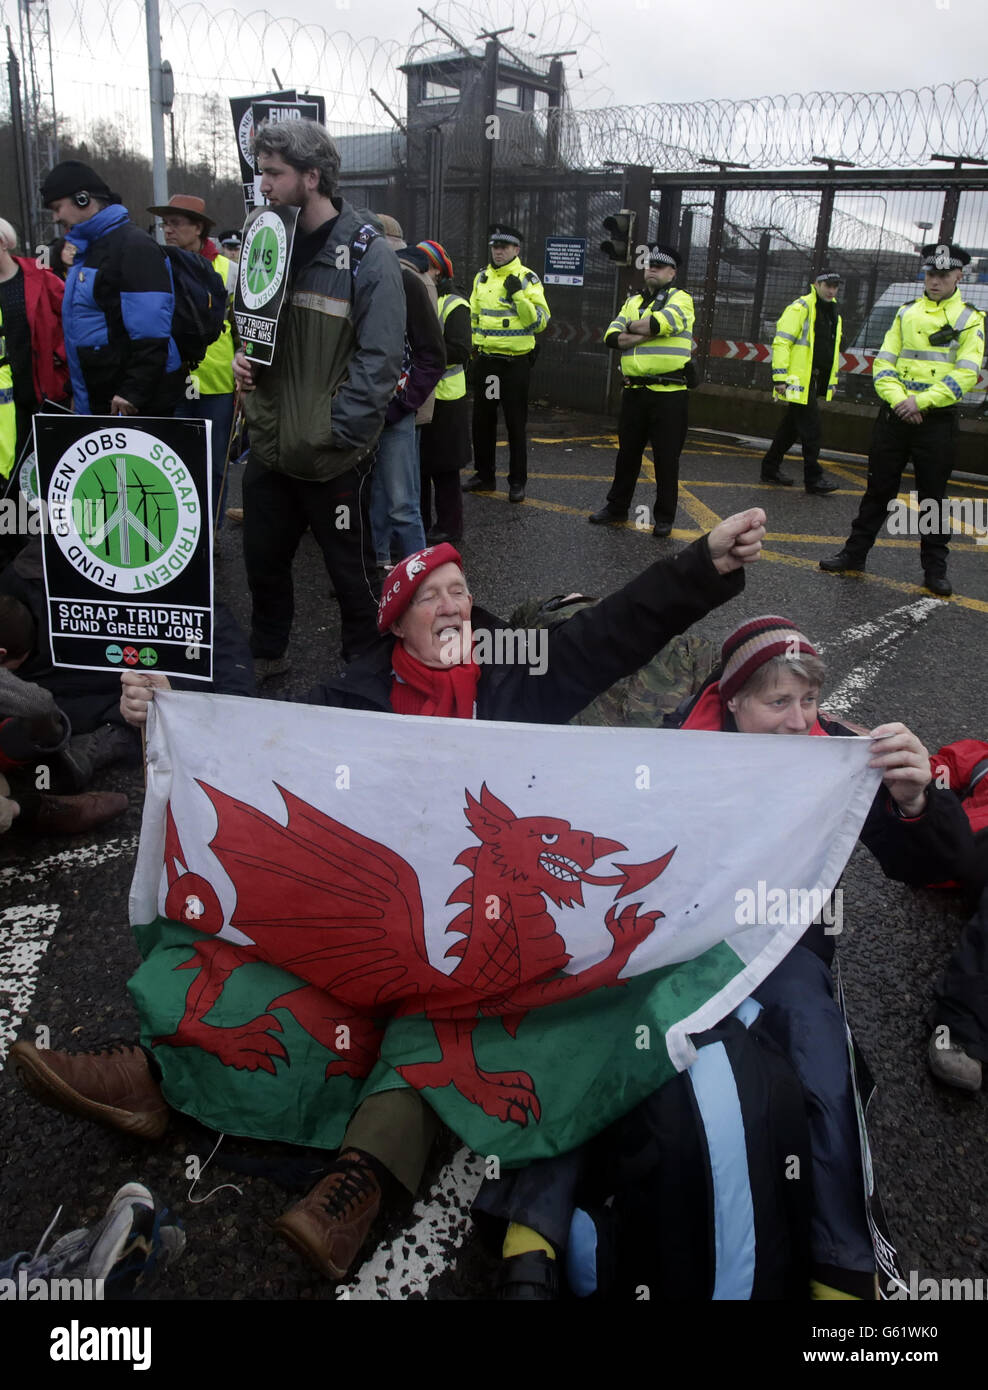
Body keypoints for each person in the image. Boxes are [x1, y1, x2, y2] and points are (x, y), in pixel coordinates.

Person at [10, 508, 768, 1286]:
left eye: (462, 591)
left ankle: (357, 1185)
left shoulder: (513, 680)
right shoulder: (347, 707)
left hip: (477, 960)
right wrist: (163, 712)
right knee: (243, 953)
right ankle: (150, 1075)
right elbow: (241, 745)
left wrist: (703, 561)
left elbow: (614, 632)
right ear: (397, 622)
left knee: (440, 1031)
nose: (454, 605)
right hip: (385, 929)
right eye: (432, 595)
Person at [476, 614, 979, 1299]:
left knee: (824, 1058)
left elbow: (939, 865)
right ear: (731, 699)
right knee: (589, 1032)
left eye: (808, 699)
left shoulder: (836, 753)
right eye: (778, 702)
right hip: (681, 937)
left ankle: (843, 1269)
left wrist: (921, 798)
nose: (799, 720)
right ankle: (530, 1239)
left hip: (784, 945)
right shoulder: (678, 750)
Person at [232, 120, 405, 677]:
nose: (264, 184)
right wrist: (243, 357)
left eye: (275, 173)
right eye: (261, 172)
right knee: (262, 562)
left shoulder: (365, 252)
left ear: (313, 175)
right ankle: (267, 654)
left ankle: (366, 664)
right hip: (270, 443)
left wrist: (339, 431)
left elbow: (381, 359)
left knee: (348, 571)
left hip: (329, 454)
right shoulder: (264, 237)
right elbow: (247, 323)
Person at [820, 243, 986, 597]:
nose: (935, 280)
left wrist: (920, 402)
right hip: (896, 416)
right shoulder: (905, 312)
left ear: (960, 276)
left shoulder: (971, 319)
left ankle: (935, 570)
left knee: (933, 499)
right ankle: (854, 554)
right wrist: (900, 402)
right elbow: (884, 364)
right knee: (877, 490)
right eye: (931, 273)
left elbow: (967, 373)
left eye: (943, 275)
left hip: (936, 420)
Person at [40, 160, 186, 418]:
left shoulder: (133, 247)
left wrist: (134, 391)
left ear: (83, 199)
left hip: (131, 404)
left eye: (57, 207)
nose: (55, 217)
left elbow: (151, 332)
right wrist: (76, 390)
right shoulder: (89, 248)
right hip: (102, 399)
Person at [588, 244, 695, 536]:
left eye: (659, 266)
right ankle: (616, 507)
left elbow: (661, 323)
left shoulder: (682, 299)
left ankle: (664, 517)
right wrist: (643, 329)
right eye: (649, 265)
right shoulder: (632, 300)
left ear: (672, 272)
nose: (651, 269)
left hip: (669, 394)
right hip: (634, 392)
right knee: (627, 454)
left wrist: (633, 330)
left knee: (665, 458)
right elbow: (612, 337)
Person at [149, 194, 238, 530]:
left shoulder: (228, 270)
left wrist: (243, 375)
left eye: (176, 223)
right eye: (165, 223)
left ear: (198, 227)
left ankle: (210, 535)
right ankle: (179, 533)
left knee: (214, 465)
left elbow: (242, 328)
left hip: (218, 384)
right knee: (173, 463)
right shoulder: (158, 266)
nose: (168, 230)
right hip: (173, 382)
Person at [366, 217, 444, 569]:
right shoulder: (353, 277)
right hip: (360, 406)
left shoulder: (408, 281)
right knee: (378, 495)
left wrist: (404, 403)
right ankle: (377, 566)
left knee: (401, 499)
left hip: (394, 407)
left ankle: (418, 578)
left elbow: (432, 353)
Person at [462, 224, 550, 504]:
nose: (498, 251)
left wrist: (518, 296)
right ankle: (484, 476)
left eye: (504, 247)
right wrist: (474, 352)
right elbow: (474, 317)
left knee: (515, 423)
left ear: (516, 249)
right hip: (488, 363)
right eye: (495, 247)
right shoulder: (482, 277)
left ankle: (517, 482)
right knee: (483, 421)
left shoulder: (527, 279)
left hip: (514, 365)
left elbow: (538, 322)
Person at [759, 271, 842, 494]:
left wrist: (831, 380)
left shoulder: (834, 313)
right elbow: (781, 343)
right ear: (816, 284)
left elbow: (831, 351)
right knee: (811, 430)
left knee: (791, 428)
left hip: (813, 380)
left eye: (835, 286)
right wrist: (779, 377)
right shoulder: (800, 308)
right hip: (797, 381)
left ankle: (770, 468)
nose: (831, 290)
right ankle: (813, 479)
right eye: (827, 285)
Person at [0, 218, 69, 481]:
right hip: (5, 397)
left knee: (47, 465)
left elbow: (71, 317)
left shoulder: (38, 276)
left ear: (3, 242)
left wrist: (59, 356)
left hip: (43, 388)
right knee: (12, 468)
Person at [416, 239, 471, 543]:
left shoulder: (455, 304)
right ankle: (421, 525)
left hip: (447, 398)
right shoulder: (421, 295)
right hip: (421, 397)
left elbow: (461, 350)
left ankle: (450, 528)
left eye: (424, 264)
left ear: (437, 270)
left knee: (445, 470)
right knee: (420, 468)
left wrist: (424, 352)